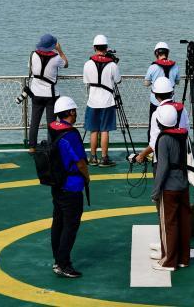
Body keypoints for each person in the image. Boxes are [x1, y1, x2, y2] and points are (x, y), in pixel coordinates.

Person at [143, 102, 191, 272]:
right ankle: (184, 258)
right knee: (184, 221)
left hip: (169, 188)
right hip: (183, 184)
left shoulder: (163, 139)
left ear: (159, 122)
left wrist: (156, 191)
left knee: (168, 224)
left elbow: (162, 168)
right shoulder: (183, 135)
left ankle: (169, 261)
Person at [47, 96, 89, 278]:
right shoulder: (71, 134)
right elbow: (80, 162)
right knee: (70, 226)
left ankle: (57, 259)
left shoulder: (52, 128)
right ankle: (64, 263)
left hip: (56, 184)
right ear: (71, 112)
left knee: (58, 222)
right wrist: (87, 178)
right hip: (71, 186)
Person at [82, 34, 121, 167]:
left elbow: (86, 81)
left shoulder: (87, 64)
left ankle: (92, 157)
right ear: (106, 48)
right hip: (107, 101)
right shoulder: (111, 65)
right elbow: (118, 80)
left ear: (94, 47)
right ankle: (104, 158)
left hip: (92, 101)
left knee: (93, 130)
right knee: (105, 130)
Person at [26, 34, 69, 152]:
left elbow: (31, 68)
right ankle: (51, 146)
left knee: (35, 121)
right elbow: (66, 64)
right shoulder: (56, 58)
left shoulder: (33, 55)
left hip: (36, 93)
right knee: (52, 122)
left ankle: (32, 146)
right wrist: (60, 50)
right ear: (52, 46)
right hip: (51, 95)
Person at [135, 77, 189, 165]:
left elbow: (154, 143)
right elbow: (186, 130)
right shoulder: (182, 109)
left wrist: (141, 155)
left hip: (162, 158)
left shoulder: (157, 113)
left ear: (156, 95)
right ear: (172, 93)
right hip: (181, 155)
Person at [144, 41, 180, 136]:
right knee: (170, 124)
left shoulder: (153, 67)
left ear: (156, 53)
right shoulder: (175, 66)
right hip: (170, 101)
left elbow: (146, 83)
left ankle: (153, 147)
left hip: (155, 101)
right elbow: (177, 81)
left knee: (153, 126)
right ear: (167, 53)